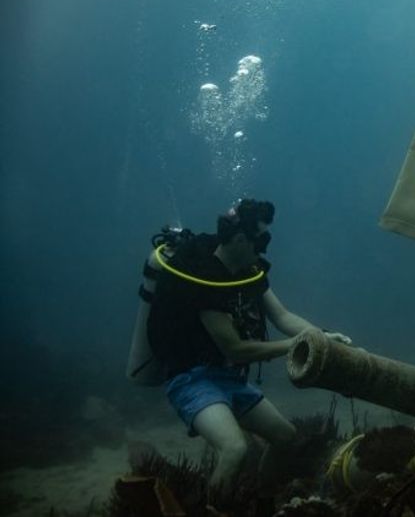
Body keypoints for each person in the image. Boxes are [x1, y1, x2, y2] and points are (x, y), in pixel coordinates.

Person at [139, 198, 351, 514]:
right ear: (240, 239)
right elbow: (235, 349)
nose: (265, 247)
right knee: (234, 449)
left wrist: (323, 339)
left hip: (229, 378)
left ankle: (262, 501)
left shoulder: (248, 271)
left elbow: (282, 316)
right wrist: (299, 346)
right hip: (192, 379)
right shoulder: (204, 278)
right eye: (261, 239)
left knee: (285, 437)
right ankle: (212, 510)